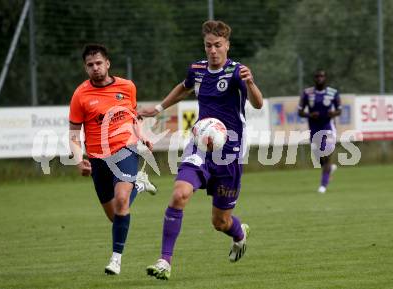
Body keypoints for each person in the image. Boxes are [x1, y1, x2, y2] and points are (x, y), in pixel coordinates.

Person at [139, 20, 263, 280]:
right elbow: (183, 88)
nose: (213, 50)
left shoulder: (237, 71)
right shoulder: (197, 69)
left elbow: (258, 104)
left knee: (220, 223)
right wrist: (158, 109)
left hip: (230, 153)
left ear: (227, 45)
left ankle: (239, 234)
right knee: (179, 194)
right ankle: (165, 261)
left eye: (218, 45)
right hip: (199, 147)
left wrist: (251, 84)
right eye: (208, 46)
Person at [68, 43, 157, 275]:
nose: (95, 68)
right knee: (115, 215)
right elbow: (74, 134)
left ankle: (115, 259)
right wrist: (79, 161)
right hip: (98, 159)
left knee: (121, 201)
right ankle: (139, 182)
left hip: (125, 149)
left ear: (107, 63)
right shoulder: (80, 95)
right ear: (85, 68)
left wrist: (142, 136)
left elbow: (134, 117)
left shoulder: (127, 87)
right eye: (90, 65)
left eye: (99, 63)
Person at [298, 69, 341, 193]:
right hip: (314, 128)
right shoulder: (307, 93)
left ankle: (323, 185)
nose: (319, 78)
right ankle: (329, 169)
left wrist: (333, 113)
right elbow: (300, 112)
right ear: (314, 78)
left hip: (328, 127)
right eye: (317, 76)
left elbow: (339, 110)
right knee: (319, 156)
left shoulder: (333, 93)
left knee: (326, 154)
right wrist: (310, 115)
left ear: (325, 78)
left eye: (322, 76)